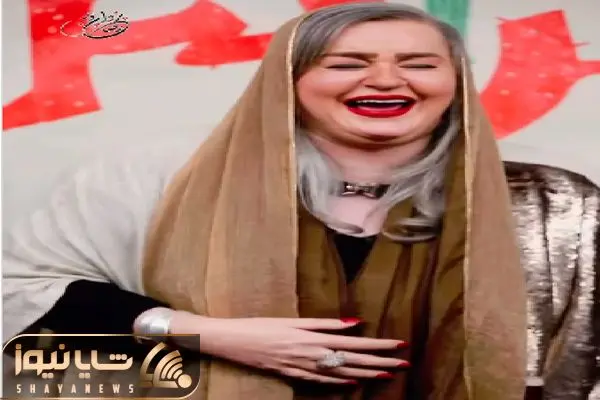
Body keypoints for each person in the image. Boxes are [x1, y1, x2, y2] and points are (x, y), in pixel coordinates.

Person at [3, 3, 598, 400]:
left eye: (419, 64)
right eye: (346, 64)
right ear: (286, 83)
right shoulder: (161, 176)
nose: (386, 80)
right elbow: (24, 292)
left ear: (455, 84)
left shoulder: (552, 202)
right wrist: (204, 334)